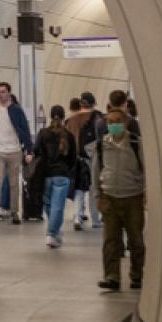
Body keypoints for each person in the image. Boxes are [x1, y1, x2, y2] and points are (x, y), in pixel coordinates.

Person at [95, 103, 148, 291]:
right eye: (109, 122)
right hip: (109, 197)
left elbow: (146, 170)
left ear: (125, 123)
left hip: (132, 197)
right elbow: (96, 172)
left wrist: (145, 192)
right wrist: (97, 196)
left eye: (117, 122)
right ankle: (111, 277)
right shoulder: (102, 145)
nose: (113, 125)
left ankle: (137, 275)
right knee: (110, 240)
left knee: (136, 239)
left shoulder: (135, 144)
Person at [0, 83, 32, 224]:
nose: (0, 94)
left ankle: (14, 211)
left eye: (3, 92)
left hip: (15, 151)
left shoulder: (17, 110)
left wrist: (29, 150)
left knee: (14, 183)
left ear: (9, 93)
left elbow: (25, 130)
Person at [33, 105, 78, 248]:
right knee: (57, 207)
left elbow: (35, 151)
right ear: (64, 117)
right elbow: (73, 158)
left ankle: (53, 232)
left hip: (46, 175)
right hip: (62, 175)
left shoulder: (43, 133)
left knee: (49, 205)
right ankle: (52, 233)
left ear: (50, 116)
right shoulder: (69, 136)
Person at [63, 96, 101, 230]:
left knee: (78, 189)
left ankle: (77, 217)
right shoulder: (97, 118)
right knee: (93, 188)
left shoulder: (70, 120)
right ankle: (96, 219)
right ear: (94, 103)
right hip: (92, 157)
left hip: (75, 158)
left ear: (81, 104)